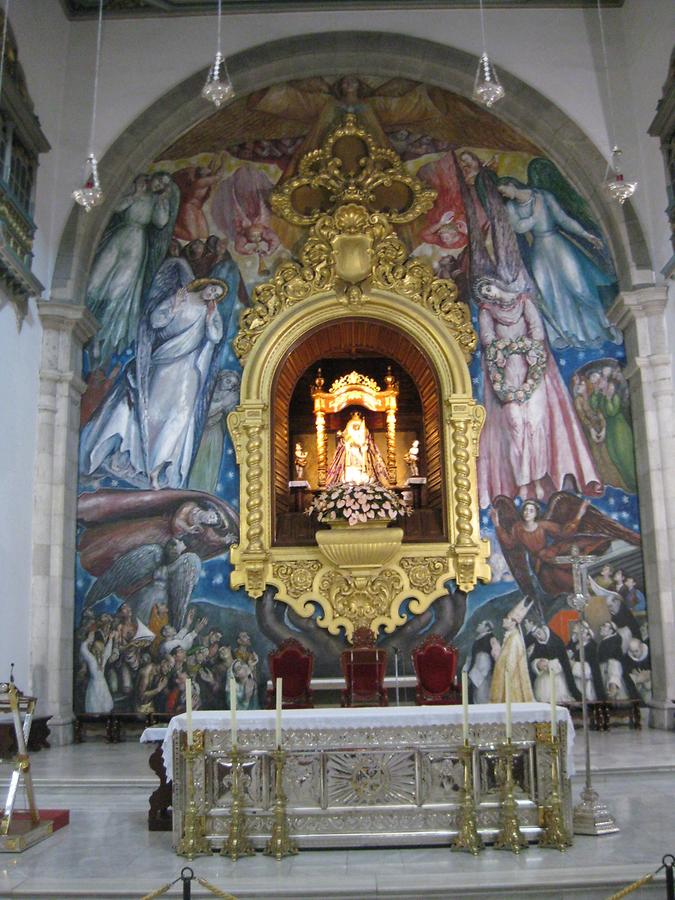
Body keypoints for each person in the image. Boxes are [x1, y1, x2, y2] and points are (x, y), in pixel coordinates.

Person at [80, 278, 227, 489]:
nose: (212, 295)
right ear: (204, 285)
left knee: (179, 417)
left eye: (216, 294)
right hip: (165, 363)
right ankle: (135, 460)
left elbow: (215, 336)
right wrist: (174, 306)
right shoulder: (180, 299)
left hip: (188, 369)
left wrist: (212, 316)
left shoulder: (210, 312)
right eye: (212, 289)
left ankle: (161, 468)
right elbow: (156, 321)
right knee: (151, 412)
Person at [474, 276, 601, 506]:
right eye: (484, 291)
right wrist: (503, 350)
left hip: (532, 368)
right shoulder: (486, 312)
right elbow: (487, 338)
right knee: (515, 428)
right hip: (505, 373)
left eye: (488, 287)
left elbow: (537, 331)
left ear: (497, 284)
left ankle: (541, 481)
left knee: (535, 425)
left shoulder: (524, 302)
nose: (488, 293)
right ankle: (522, 483)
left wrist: (527, 348)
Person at [497, 177, 620, 350]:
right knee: (550, 293)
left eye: (503, 189)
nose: (504, 194)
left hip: (558, 244)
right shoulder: (511, 207)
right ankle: (571, 336)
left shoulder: (544, 196)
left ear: (511, 184)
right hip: (539, 250)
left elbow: (563, 219)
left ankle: (605, 324)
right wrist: (535, 214)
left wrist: (586, 235)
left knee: (579, 286)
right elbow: (519, 228)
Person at [86, 172, 179, 365]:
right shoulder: (135, 193)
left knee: (117, 292)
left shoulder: (156, 201)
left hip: (136, 243)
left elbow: (161, 222)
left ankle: (99, 338)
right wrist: (135, 194)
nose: (159, 184)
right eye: (159, 179)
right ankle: (84, 327)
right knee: (93, 284)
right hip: (119, 236)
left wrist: (163, 200)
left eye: (164, 184)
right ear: (151, 178)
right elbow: (117, 208)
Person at [325, 410, 390, 487]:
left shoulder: (364, 436)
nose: (356, 427)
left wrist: (362, 444)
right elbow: (346, 436)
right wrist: (347, 439)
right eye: (354, 426)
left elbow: (365, 438)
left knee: (362, 462)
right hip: (350, 451)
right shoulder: (347, 439)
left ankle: (363, 473)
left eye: (358, 426)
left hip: (361, 451)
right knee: (350, 463)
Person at [490, 597, 535, 703]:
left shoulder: (514, 638)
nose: (503, 620)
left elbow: (511, 662)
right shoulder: (510, 636)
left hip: (510, 679)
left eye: (507, 618)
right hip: (503, 676)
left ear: (513, 622)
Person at [528, 624, 581, 702]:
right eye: (536, 636)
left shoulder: (557, 641)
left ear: (543, 629)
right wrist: (537, 664)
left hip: (558, 677)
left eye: (539, 633)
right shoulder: (537, 644)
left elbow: (564, 663)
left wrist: (551, 664)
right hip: (543, 680)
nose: (539, 637)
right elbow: (532, 661)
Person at [80, 630, 115, 714]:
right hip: (94, 686)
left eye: (100, 649)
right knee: (95, 709)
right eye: (97, 649)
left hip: (102, 685)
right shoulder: (92, 659)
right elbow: (83, 649)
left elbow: (108, 651)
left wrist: (110, 639)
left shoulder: (102, 659)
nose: (99, 651)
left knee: (104, 708)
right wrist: (88, 640)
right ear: (93, 649)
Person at [467, 620, 497, 704]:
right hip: (475, 672)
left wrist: (481, 673)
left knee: (482, 697)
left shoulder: (491, 638)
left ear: (487, 628)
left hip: (483, 674)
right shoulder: (479, 638)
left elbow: (492, 656)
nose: (478, 624)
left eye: (481, 624)